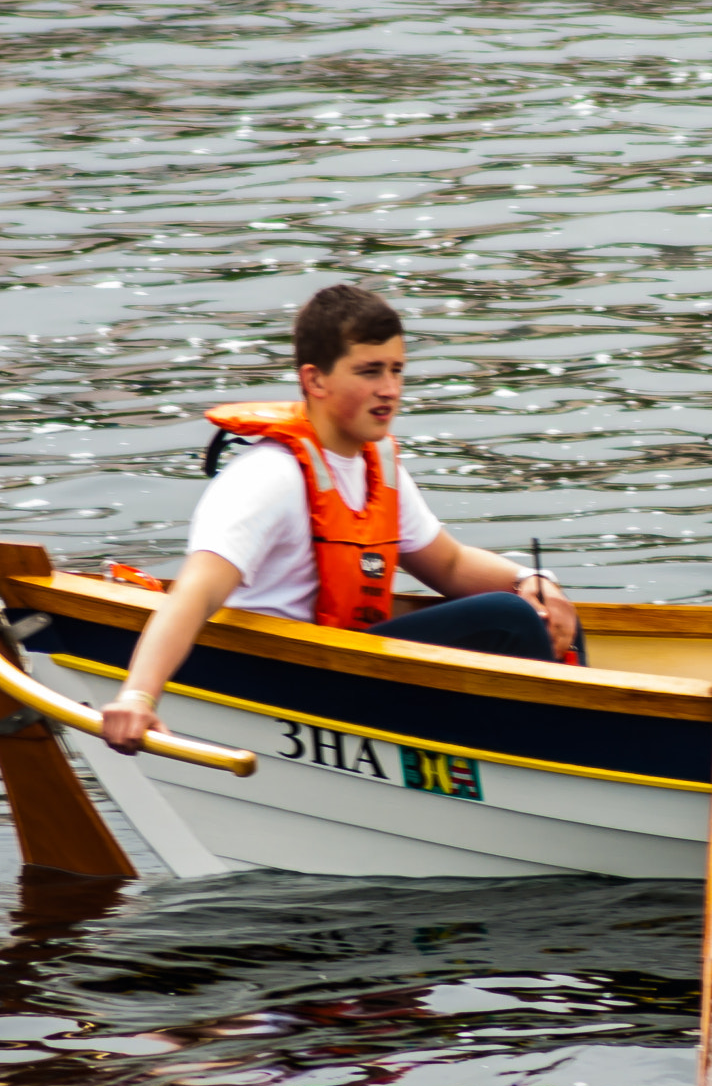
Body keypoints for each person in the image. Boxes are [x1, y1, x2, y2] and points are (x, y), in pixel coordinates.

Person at [100, 285, 578, 754]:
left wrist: (533, 580)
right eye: (369, 372)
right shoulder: (270, 476)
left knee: (550, 615)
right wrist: (139, 696)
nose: (389, 390)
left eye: (396, 370)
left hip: (350, 665)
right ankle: (561, 760)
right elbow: (196, 592)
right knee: (510, 619)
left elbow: (449, 566)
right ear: (315, 381)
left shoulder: (375, 465)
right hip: (289, 682)